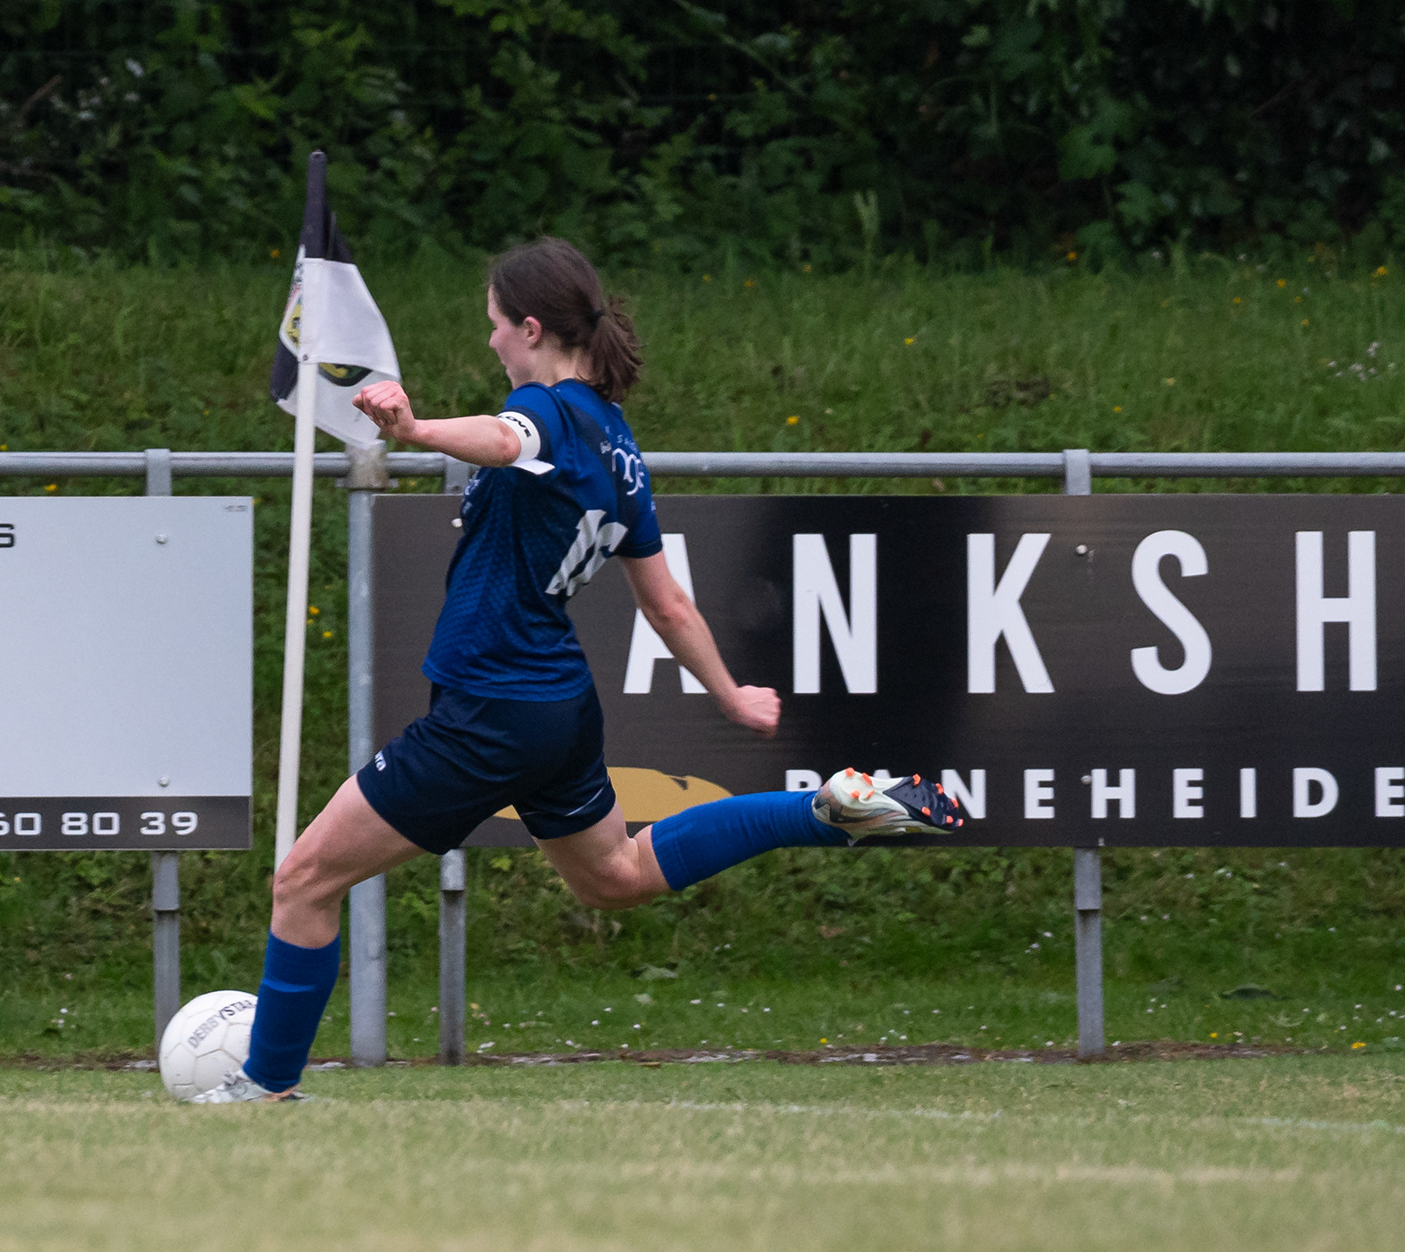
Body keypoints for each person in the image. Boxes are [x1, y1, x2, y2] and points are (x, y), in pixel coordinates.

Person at [196, 238, 961, 1103]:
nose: (491, 340)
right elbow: (668, 605)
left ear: (532, 329)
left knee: (303, 879)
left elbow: (503, 437)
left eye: (495, 324)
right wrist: (732, 694)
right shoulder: (621, 447)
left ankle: (264, 1085)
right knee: (615, 876)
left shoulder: (546, 411)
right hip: (558, 709)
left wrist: (412, 430)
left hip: (491, 708)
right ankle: (821, 811)